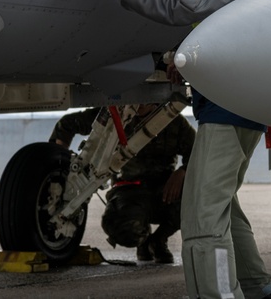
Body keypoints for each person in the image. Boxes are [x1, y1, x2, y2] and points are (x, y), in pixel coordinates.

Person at [77, 0, 271, 299]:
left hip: (234, 106)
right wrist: (182, 56)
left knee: (202, 215)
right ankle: (261, 290)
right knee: (223, 206)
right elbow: (231, 29)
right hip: (242, 102)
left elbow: (186, 5)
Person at [49, 104, 195, 263]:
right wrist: (58, 165)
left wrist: (182, 172)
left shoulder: (171, 120)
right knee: (123, 228)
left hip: (164, 191)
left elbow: (198, 151)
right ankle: (143, 240)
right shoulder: (115, 115)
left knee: (197, 197)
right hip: (129, 192)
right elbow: (67, 124)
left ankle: (158, 240)